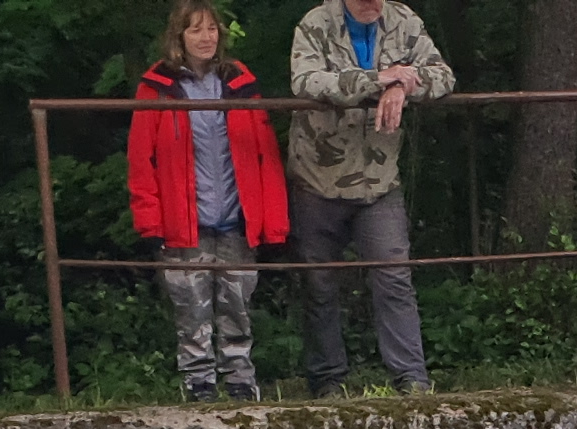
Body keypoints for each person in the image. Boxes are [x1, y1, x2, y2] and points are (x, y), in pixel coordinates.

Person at [286, 0, 454, 395]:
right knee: (318, 283)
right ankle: (328, 382)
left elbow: (444, 76)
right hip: (318, 178)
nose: (373, 3)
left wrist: (402, 85)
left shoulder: (404, 20)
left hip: (380, 180)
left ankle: (412, 379)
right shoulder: (315, 23)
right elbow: (306, 81)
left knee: (394, 276)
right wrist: (377, 79)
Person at [128, 2, 292, 403]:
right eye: (195, 30)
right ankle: (198, 384)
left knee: (238, 307)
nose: (206, 37)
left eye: (212, 29)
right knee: (191, 311)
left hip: (237, 218)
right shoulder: (156, 87)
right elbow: (140, 160)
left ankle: (240, 382)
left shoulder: (241, 81)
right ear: (179, 36)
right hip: (183, 223)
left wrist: (273, 223)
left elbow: (266, 156)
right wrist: (150, 222)